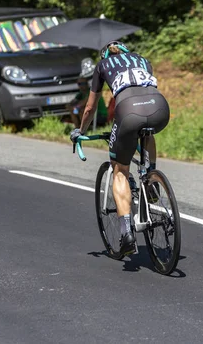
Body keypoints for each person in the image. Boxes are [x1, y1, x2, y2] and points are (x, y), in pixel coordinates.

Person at [70, 41, 170, 255]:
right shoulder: (143, 60)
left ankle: (126, 235)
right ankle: (151, 177)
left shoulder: (103, 65)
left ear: (105, 55)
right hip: (160, 108)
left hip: (129, 112)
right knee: (147, 129)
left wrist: (80, 130)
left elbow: (90, 107)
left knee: (120, 170)